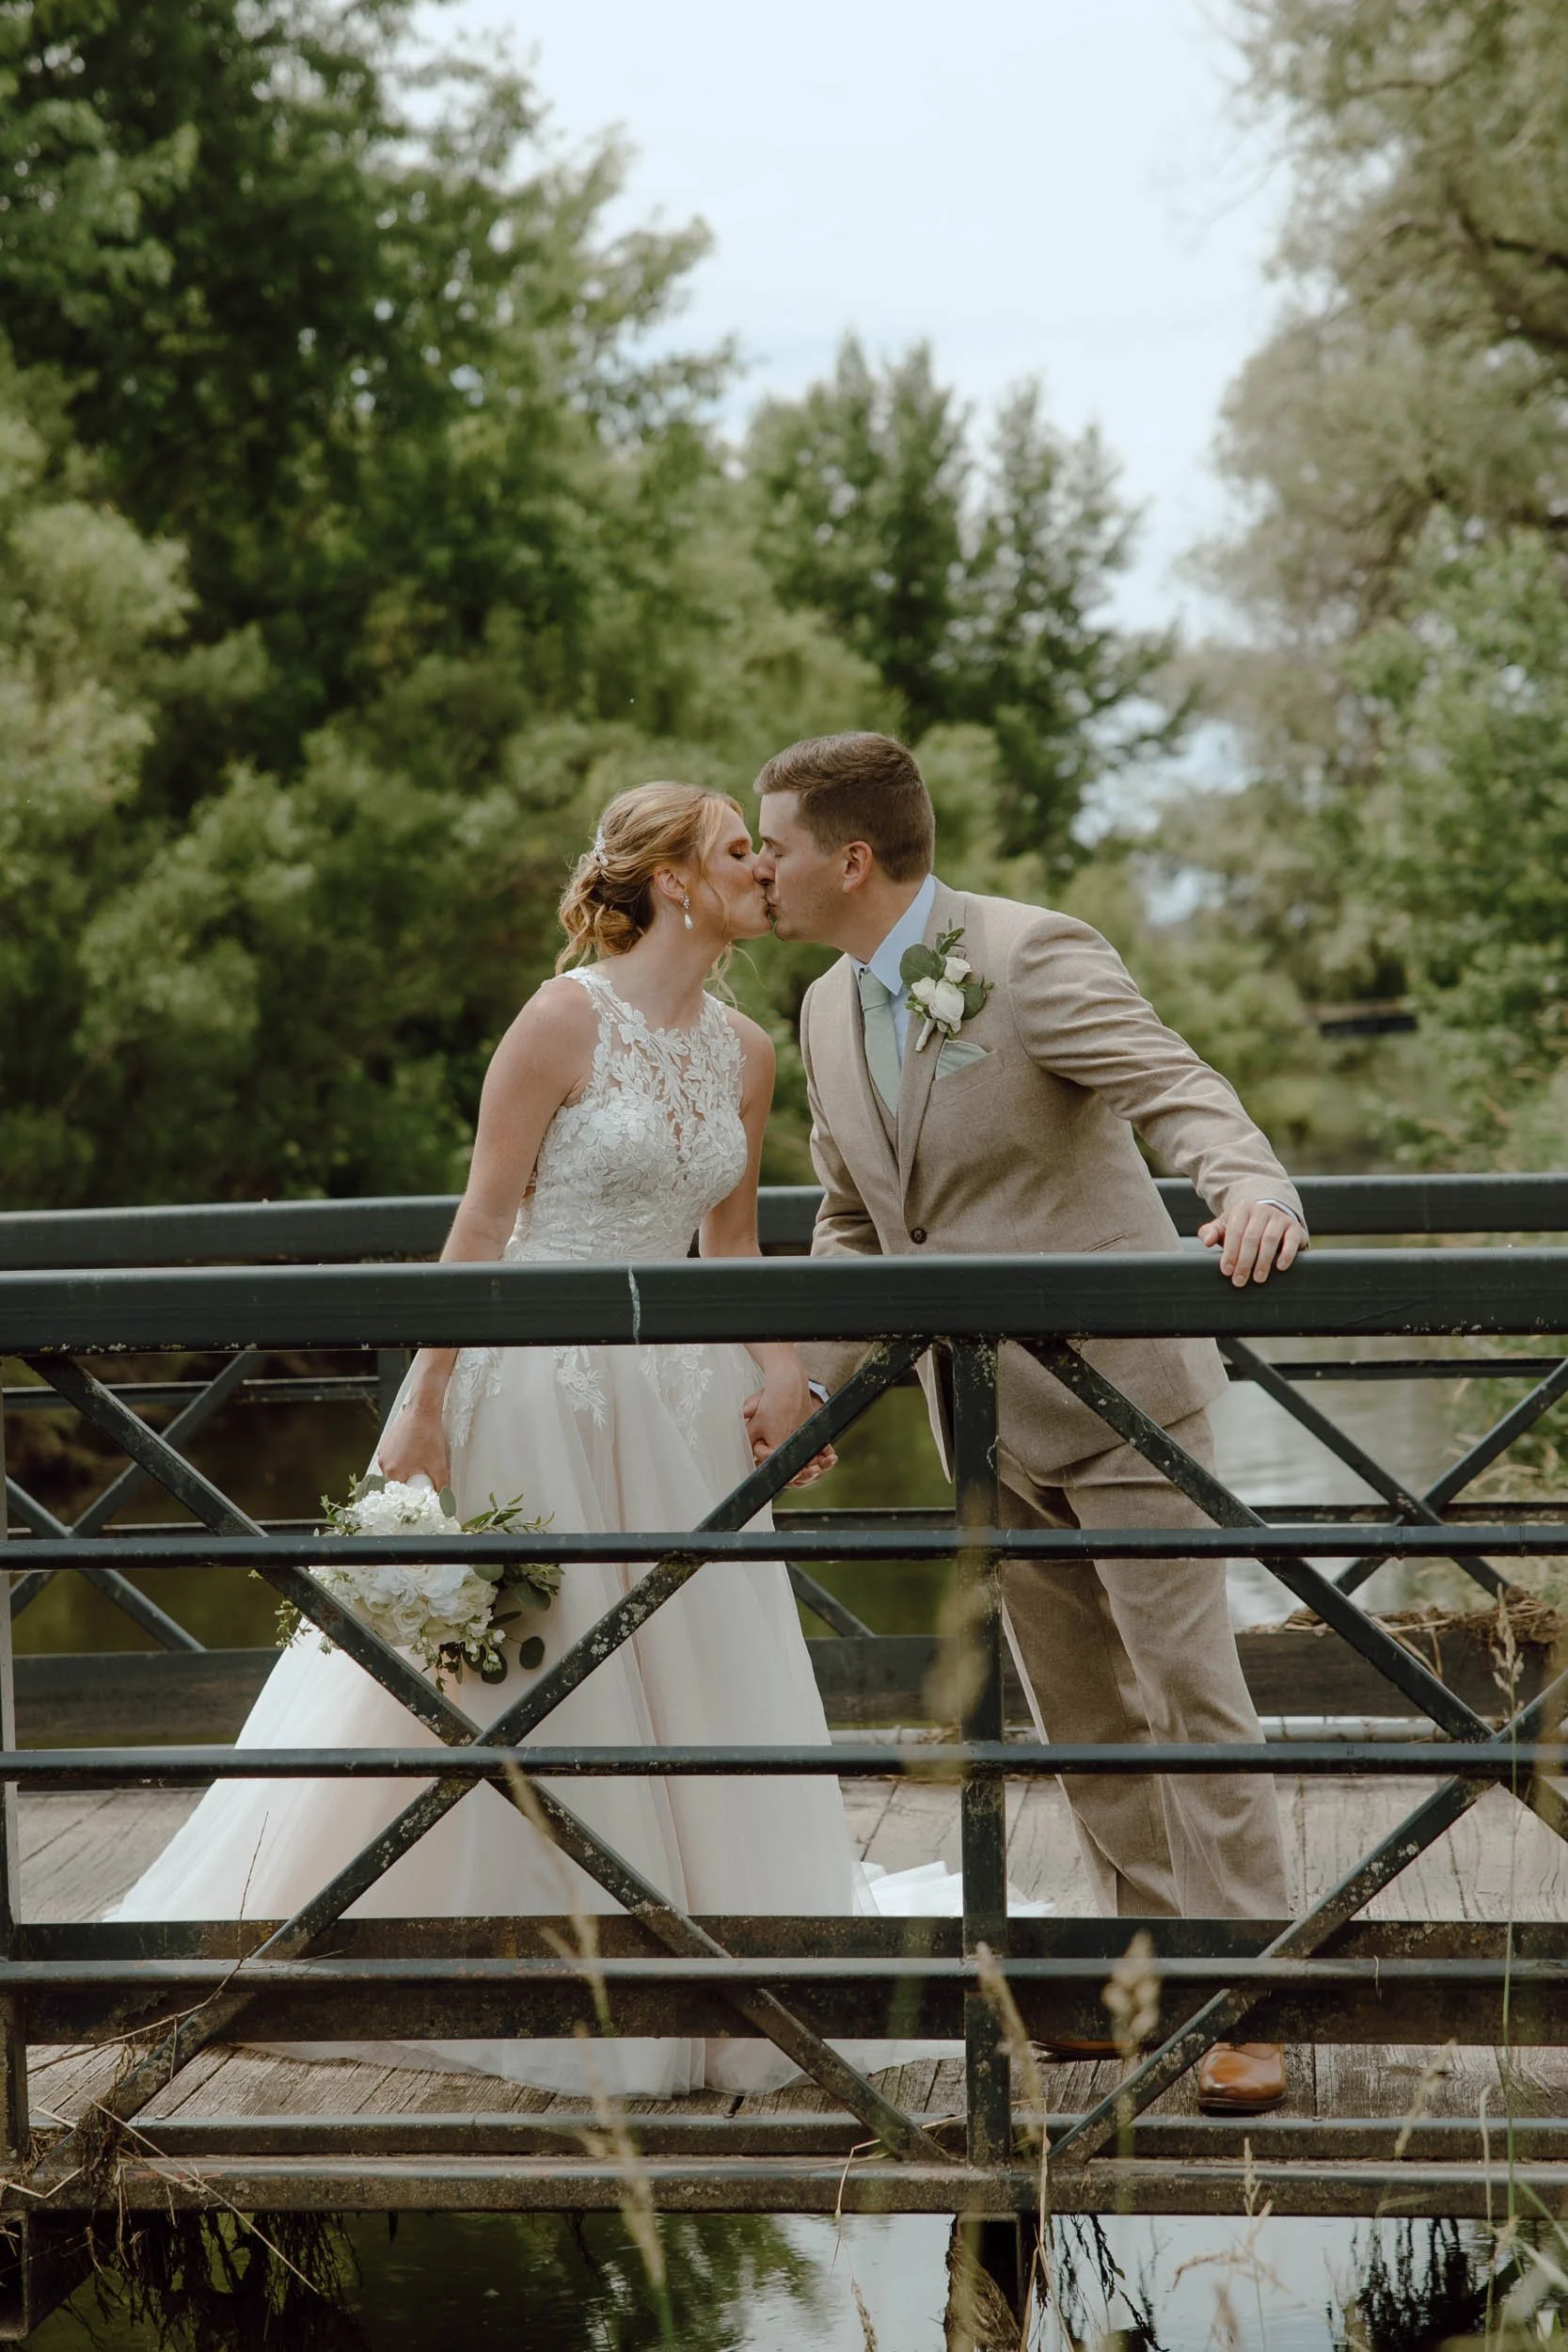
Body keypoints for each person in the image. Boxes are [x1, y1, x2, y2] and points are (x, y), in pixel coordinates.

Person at [111, 782, 1003, 2099]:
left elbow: (732, 1246)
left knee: (689, 1662)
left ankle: (717, 1948)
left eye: (762, 847)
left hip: (679, 1407)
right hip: (533, 1393)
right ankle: (485, 1947)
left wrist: (779, 1377)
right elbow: (476, 1234)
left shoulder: (746, 1050)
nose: (761, 866)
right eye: (732, 849)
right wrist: (419, 1407)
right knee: (519, 1671)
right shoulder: (556, 1021)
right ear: (669, 880)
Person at [754, 730, 1306, 2118]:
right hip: (981, 1419)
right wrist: (808, 1380)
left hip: (1124, 1401)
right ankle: (1141, 1985)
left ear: (851, 857)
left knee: (1191, 1706)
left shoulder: (1029, 953)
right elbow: (847, 1225)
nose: (759, 868)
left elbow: (1175, 1088)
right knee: (1082, 1725)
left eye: (776, 845)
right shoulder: (823, 1009)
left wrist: (1250, 1190)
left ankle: (1251, 2000)